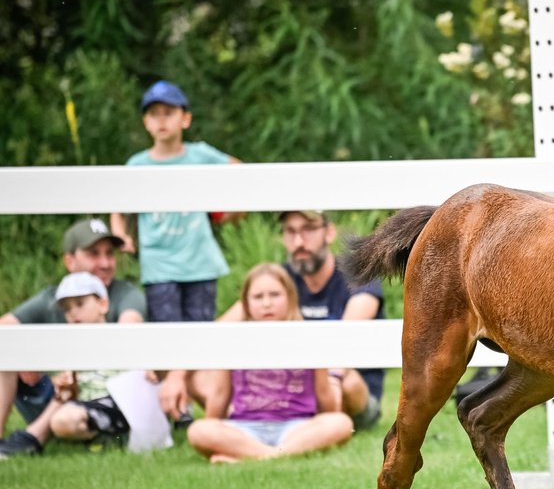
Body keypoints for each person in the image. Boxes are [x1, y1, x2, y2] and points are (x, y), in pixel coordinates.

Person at [209, 210, 385, 431]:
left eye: (308, 230)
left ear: (329, 233)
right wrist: (180, 371)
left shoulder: (356, 275)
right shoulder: (278, 280)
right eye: (290, 232)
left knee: (346, 380)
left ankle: (319, 425)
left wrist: (331, 376)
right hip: (289, 392)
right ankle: (259, 422)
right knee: (200, 375)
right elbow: (219, 332)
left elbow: (346, 338)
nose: (299, 241)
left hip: (345, 386)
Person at [0, 218, 147, 458]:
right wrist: (28, 355)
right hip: (59, 388)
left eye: (110, 254)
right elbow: (4, 328)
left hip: (101, 390)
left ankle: (33, 438)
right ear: (70, 260)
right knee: (5, 350)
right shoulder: (52, 296)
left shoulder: (126, 294)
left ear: (102, 304)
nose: (106, 263)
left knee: (74, 385)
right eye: (93, 254)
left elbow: (126, 337)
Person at [186, 264, 353, 463]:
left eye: (275, 295)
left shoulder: (308, 339)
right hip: (245, 429)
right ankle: (275, 455)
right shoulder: (232, 342)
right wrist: (212, 432)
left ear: (290, 298)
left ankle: (255, 456)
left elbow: (325, 397)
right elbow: (220, 396)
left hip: (297, 427)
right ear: (246, 304)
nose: (267, 303)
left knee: (341, 423)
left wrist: (330, 423)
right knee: (198, 430)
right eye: (258, 297)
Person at [112, 80, 239, 323]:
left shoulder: (201, 155)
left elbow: (240, 172)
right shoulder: (137, 165)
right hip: (159, 264)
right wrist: (123, 236)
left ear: (185, 119)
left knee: (199, 337)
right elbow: (117, 208)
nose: (161, 120)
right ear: (145, 122)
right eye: (154, 114)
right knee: (168, 338)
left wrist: (229, 211)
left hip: (199, 260)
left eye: (169, 113)